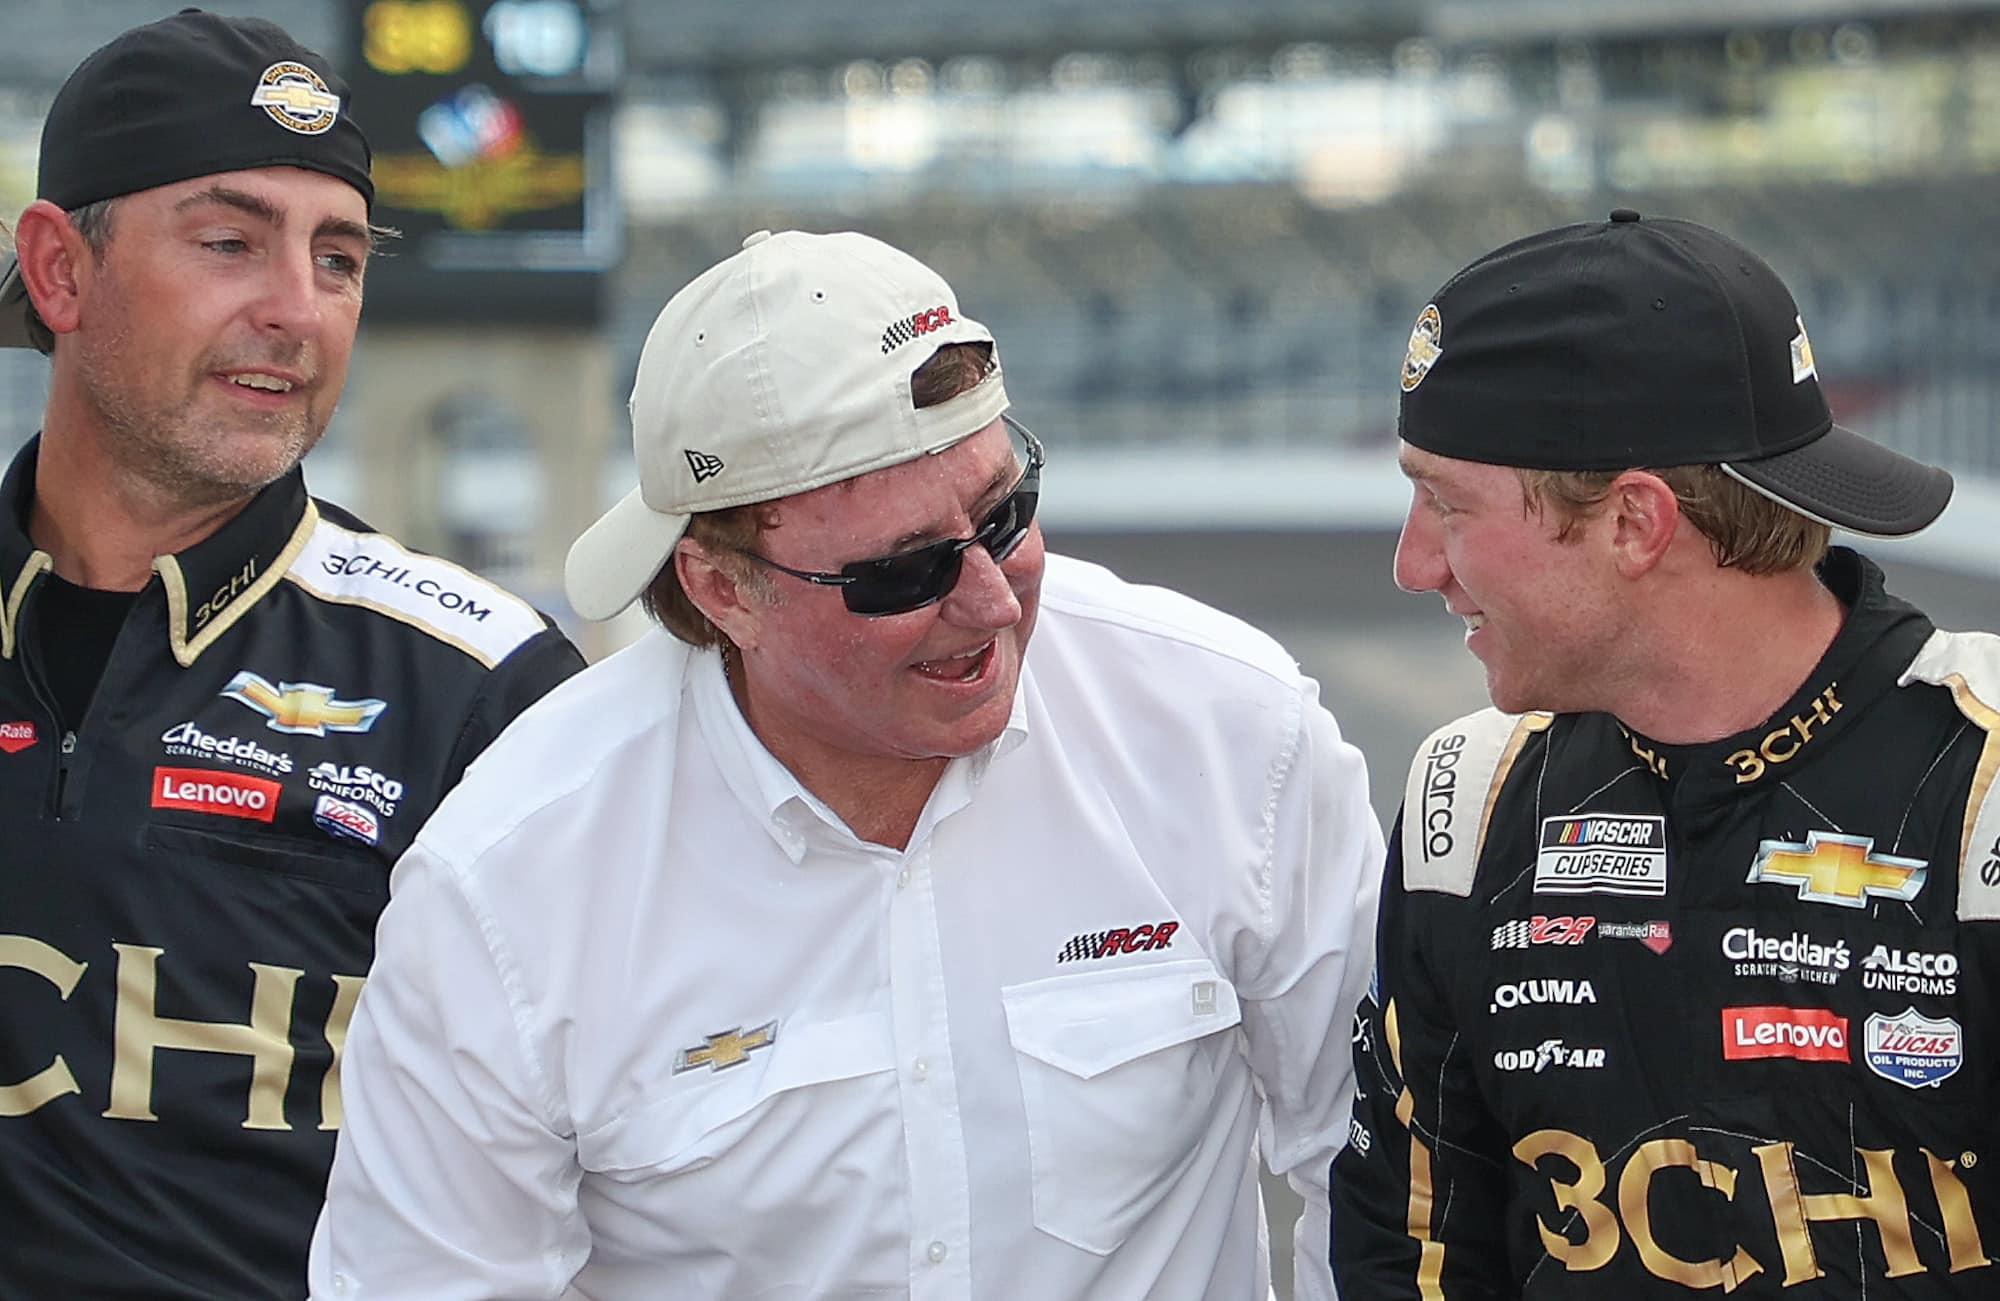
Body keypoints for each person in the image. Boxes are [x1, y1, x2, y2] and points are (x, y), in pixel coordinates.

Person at [308, 228, 1383, 1299]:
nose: (992, 600)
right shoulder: (507, 881)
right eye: (903, 571)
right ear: (723, 589)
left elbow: (1387, 1184)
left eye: (1005, 516)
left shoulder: (1232, 730)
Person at [0, 11, 584, 1297]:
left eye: (338, 259)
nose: (296, 311)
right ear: (59, 270)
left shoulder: (488, 686)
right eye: (228, 243)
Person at [1330, 208, 1998, 1296]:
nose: (1413, 565)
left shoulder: (1980, 790)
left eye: (1444, 503)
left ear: (1634, 522)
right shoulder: (1471, 794)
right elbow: (1407, 1252)